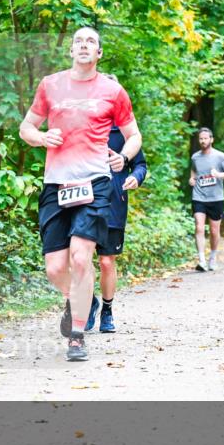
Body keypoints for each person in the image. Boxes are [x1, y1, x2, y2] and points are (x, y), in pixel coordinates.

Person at [20, 26, 143, 361]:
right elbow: (26, 127)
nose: (84, 45)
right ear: (71, 51)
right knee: (55, 268)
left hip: (95, 182)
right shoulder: (50, 85)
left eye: (91, 41)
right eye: (78, 41)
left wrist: (124, 156)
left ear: (99, 53)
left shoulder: (113, 90)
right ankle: (79, 300)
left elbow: (134, 136)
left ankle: (76, 335)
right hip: (56, 183)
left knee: (80, 257)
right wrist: (41, 138)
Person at [85, 122, 148, 333]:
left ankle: (107, 310)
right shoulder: (83, 124)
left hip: (114, 203)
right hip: (84, 201)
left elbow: (141, 165)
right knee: (80, 259)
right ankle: (89, 302)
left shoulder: (124, 131)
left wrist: (134, 177)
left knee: (105, 261)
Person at [189, 128, 224, 271]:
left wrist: (219, 175)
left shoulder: (220, 156)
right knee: (199, 226)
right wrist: (192, 178)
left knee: (214, 231)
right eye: (201, 139)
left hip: (216, 198)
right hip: (199, 196)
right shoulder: (195, 157)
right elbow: (194, 170)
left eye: (205, 138)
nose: (203, 141)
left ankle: (212, 258)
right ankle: (202, 260)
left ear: (211, 139)